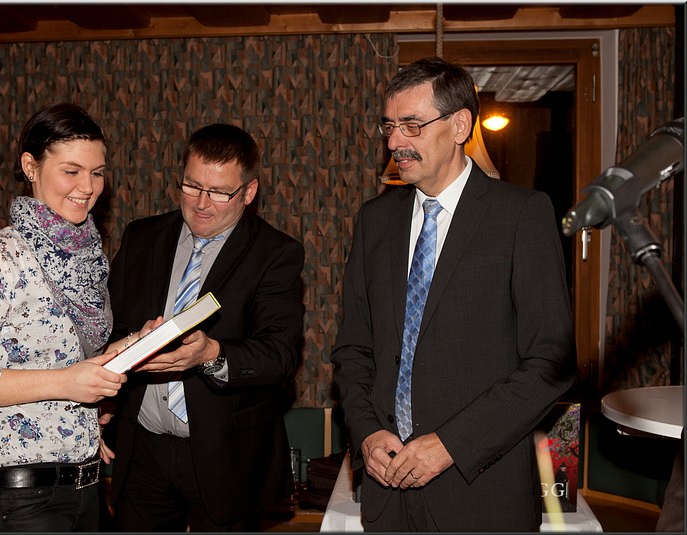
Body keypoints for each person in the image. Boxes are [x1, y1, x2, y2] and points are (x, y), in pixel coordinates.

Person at [331, 57, 575, 532]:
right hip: (385, 494)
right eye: (389, 127)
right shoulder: (375, 221)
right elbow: (353, 349)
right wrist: (367, 432)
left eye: (412, 125)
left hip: (480, 494)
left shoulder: (520, 214)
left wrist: (450, 445)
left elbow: (551, 363)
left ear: (460, 125)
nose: (394, 142)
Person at [0, 102, 133, 532]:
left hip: (85, 490)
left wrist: (123, 355)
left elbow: (61, 362)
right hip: (18, 503)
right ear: (30, 167)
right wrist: (66, 383)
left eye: (97, 172)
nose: (88, 187)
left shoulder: (86, 260)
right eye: (72, 171)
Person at [101, 123, 305, 531]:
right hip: (142, 451)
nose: (201, 204)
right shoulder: (142, 237)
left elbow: (279, 355)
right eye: (192, 186)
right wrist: (104, 398)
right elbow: (113, 329)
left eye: (219, 192)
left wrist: (211, 354)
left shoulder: (275, 253)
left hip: (226, 456)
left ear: (249, 192)